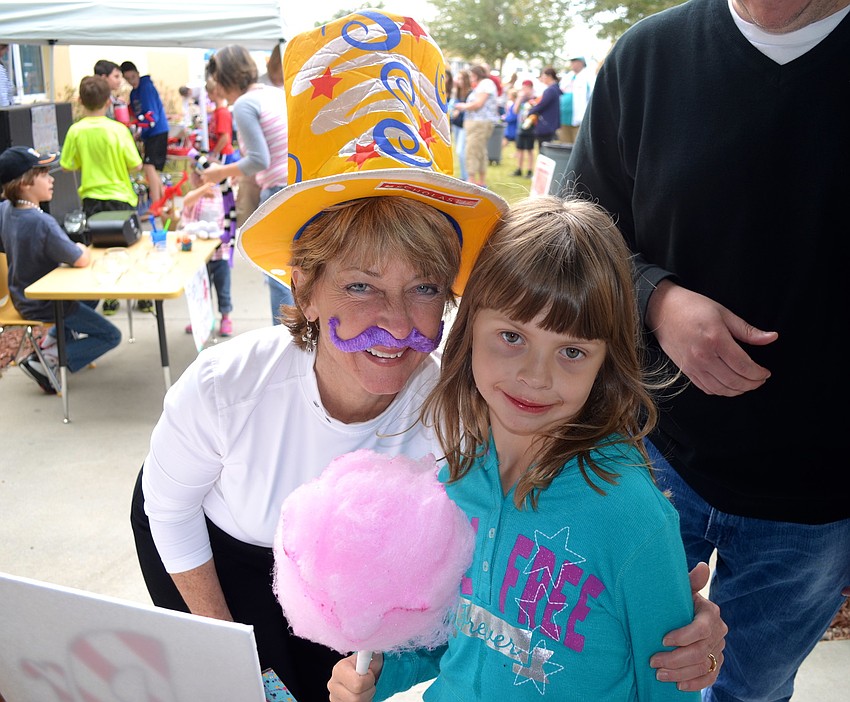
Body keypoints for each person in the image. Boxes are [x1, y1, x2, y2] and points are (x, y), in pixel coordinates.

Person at [129, 11, 725, 702]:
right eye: (359, 285)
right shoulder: (226, 389)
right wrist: (226, 655)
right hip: (214, 555)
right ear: (305, 285)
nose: (392, 323)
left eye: (422, 289)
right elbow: (166, 511)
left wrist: (684, 633)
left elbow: (467, 608)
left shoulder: (464, 411)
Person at [565, 0, 850, 699]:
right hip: (649, 454)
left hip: (817, 502)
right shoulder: (647, 57)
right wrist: (655, 299)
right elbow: (571, 235)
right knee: (606, 673)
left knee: (749, 689)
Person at [328, 194, 708, 701]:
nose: (536, 375)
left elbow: (671, 687)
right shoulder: (452, 483)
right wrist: (372, 682)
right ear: (469, 331)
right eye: (511, 336)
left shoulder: (632, 520)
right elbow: (444, 641)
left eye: (572, 351)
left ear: (606, 363)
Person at [0, 146, 121, 394]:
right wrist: (80, 247)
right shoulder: (41, 222)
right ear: (24, 184)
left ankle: (54, 339)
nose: (51, 179)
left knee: (92, 297)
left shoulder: (7, 210)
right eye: (44, 174)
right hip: (48, 301)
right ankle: (47, 360)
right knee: (111, 335)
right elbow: (80, 259)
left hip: (23, 295)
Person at [201, 44, 292, 325]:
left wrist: (220, 172)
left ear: (226, 77)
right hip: (295, 186)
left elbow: (259, 159)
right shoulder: (274, 93)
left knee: (277, 273)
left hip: (276, 191)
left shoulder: (243, 104)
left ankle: (285, 343)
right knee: (295, 272)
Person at [60, 76, 145, 317]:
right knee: (130, 246)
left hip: (92, 200)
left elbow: (67, 165)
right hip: (122, 197)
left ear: (79, 101)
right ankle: (144, 296)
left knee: (100, 250)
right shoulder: (118, 130)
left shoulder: (76, 131)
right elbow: (136, 165)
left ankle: (109, 297)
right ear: (109, 101)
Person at [175, 169, 234, 337]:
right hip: (199, 254)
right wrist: (202, 188)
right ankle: (201, 319)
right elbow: (187, 203)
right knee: (201, 288)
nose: (200, 178)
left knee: (223, 288)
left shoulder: (222, 196)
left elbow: (230, 218)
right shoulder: (195, 197)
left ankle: (225, 317)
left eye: (204, 175)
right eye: (197, 175)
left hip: (219, 252)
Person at [119, 61, 169, 208]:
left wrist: (140, 129)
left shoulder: (146, 87)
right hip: (149, 133)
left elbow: (151, 116)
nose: (131, 81)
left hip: (157, 131)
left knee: (149, 166)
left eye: (133, 77)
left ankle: (156, 204)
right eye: (128, 79)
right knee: (151, 168)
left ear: (137, 73)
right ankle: (159, 201)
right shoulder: (134, 92)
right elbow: (135, 113)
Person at [453, 64, 499, 187]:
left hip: (479, 123)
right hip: (479, 122)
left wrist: (462, 106)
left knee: (472, 151)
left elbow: (478, 104)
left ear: (477, 74)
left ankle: (472, 181)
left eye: (472, 76)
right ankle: (480, 181)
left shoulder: (485, 84)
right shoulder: (484, 84)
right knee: (480, 151)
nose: (471, 78)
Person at [525, 66, 561, 157]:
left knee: (543, 151)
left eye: (543, 76)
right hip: (551, 123)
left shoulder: (551, 90)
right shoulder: (556, 89)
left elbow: (542, 105)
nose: (542, 79)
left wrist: (531, 111)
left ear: (549, 76)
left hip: (546, 124)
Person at [560, 56, 593, 144]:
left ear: (581, 63)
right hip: (564, 118)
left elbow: (591, 97)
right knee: (565, 144)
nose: (572, 64)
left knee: (578, 144)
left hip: (579, 119)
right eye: (572, 61)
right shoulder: (567, 77)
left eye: (575, 61)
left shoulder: (589, 77)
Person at [93, 59, 129, 125]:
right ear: (103, 78)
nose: (120, 80)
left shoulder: (112, 98)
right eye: (116, 76)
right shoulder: (100, 99)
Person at [513, 79, 537, 177]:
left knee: (529, 149)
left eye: (526, 88)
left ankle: (530, 170)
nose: (524, 90)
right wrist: (519, 99)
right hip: (520, 127)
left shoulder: (534, 99)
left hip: (530, 128)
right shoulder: (521, 99)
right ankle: (519, 169)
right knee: (519, 149)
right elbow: (515, 111)